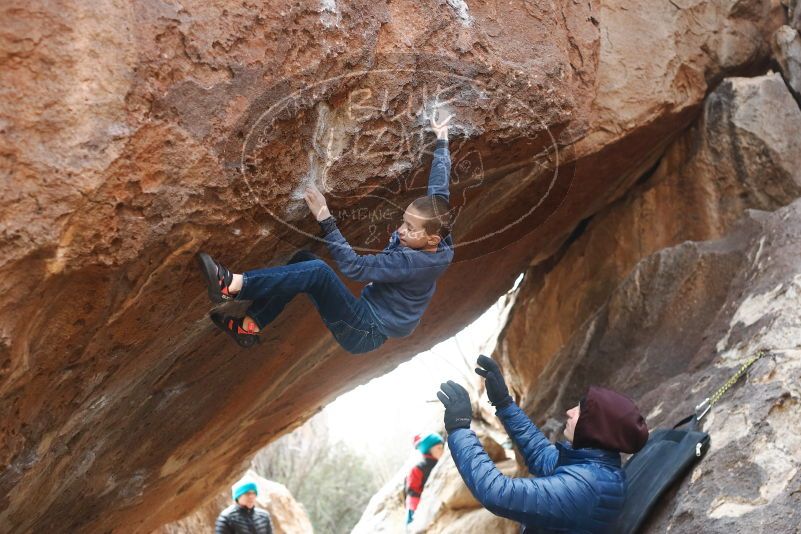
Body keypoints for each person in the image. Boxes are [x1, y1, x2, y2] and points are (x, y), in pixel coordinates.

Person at [196, 111, 454, 353]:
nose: (400, 230)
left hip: (364, 330)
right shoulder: (439, 235)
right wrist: (442, 138)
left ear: (431, 238)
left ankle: (232, 285)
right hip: (367, 319)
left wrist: (324, 217)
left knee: (318, 273)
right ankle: (249, 326)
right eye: (404, 221)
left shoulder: (411, 262)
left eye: (409, 228)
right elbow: (439, 192)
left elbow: (355, 268)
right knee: (304, 262)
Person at [436, 355, 649, 533]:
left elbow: (497, 493)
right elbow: (540, 454)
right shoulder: (594, 467)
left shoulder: (586, 487)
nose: (569, 412)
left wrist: (459, 429)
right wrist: (504, 403)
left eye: (581, 411)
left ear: (597, 430)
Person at [404, 432, 445, 524]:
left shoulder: (441, 464)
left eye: (442, 448)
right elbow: (411, 492)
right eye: (439, 448)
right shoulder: (417, 469)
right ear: (429, 450)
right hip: (417, 512)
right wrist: (423, 509)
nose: (442, 451)